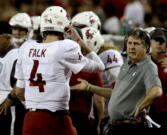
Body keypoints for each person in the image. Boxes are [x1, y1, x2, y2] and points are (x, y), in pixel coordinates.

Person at [10, 6, 105, 135]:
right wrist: (79, 40)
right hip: (56, 119)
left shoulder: (26, 47)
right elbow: (100, 66)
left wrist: (35, 104)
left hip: (31, 119)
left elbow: (19, 91)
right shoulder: (66, 47)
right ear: (65, 27)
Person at [71, 28, 163, 135]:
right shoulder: (126, 64)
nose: (132, 47)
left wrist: (141, 106)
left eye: (136, 44)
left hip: (131, 127)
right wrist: (89, 87)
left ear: (146, 47)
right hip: (117, 126)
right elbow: (115, 93)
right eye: (129, 43)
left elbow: (157, 91)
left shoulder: (148, 67)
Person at [69, 26, 105, 135]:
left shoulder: (55, 62)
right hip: (82, 119)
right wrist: (97, 125)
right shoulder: (90, 66)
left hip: (57, 115)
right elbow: (99, 102)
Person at [0, 20, 18, 135]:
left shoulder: (17, 55)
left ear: (7, 38)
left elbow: (22, 81)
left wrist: (10, 99)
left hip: (8, 108)